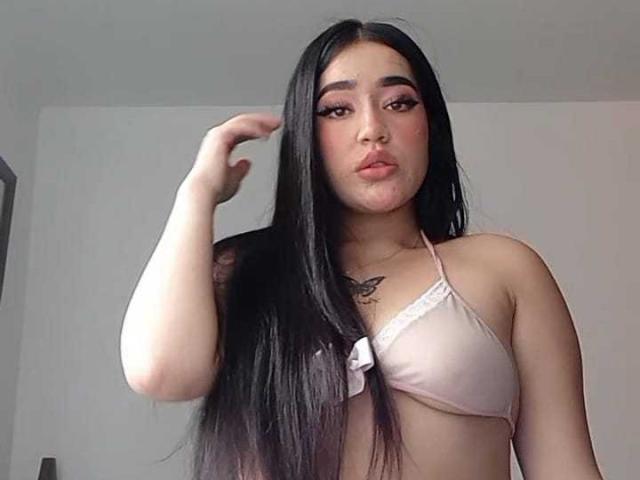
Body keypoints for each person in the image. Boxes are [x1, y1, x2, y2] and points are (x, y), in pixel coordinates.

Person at [120, 18, 604, 480]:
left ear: (430, 126)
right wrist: (198, 193)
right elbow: (160, 373)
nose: (373, 128)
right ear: (307, 137)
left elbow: (566, 469)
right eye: (337, 109)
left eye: (399, 102)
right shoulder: (244, 271)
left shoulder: (505, 269)